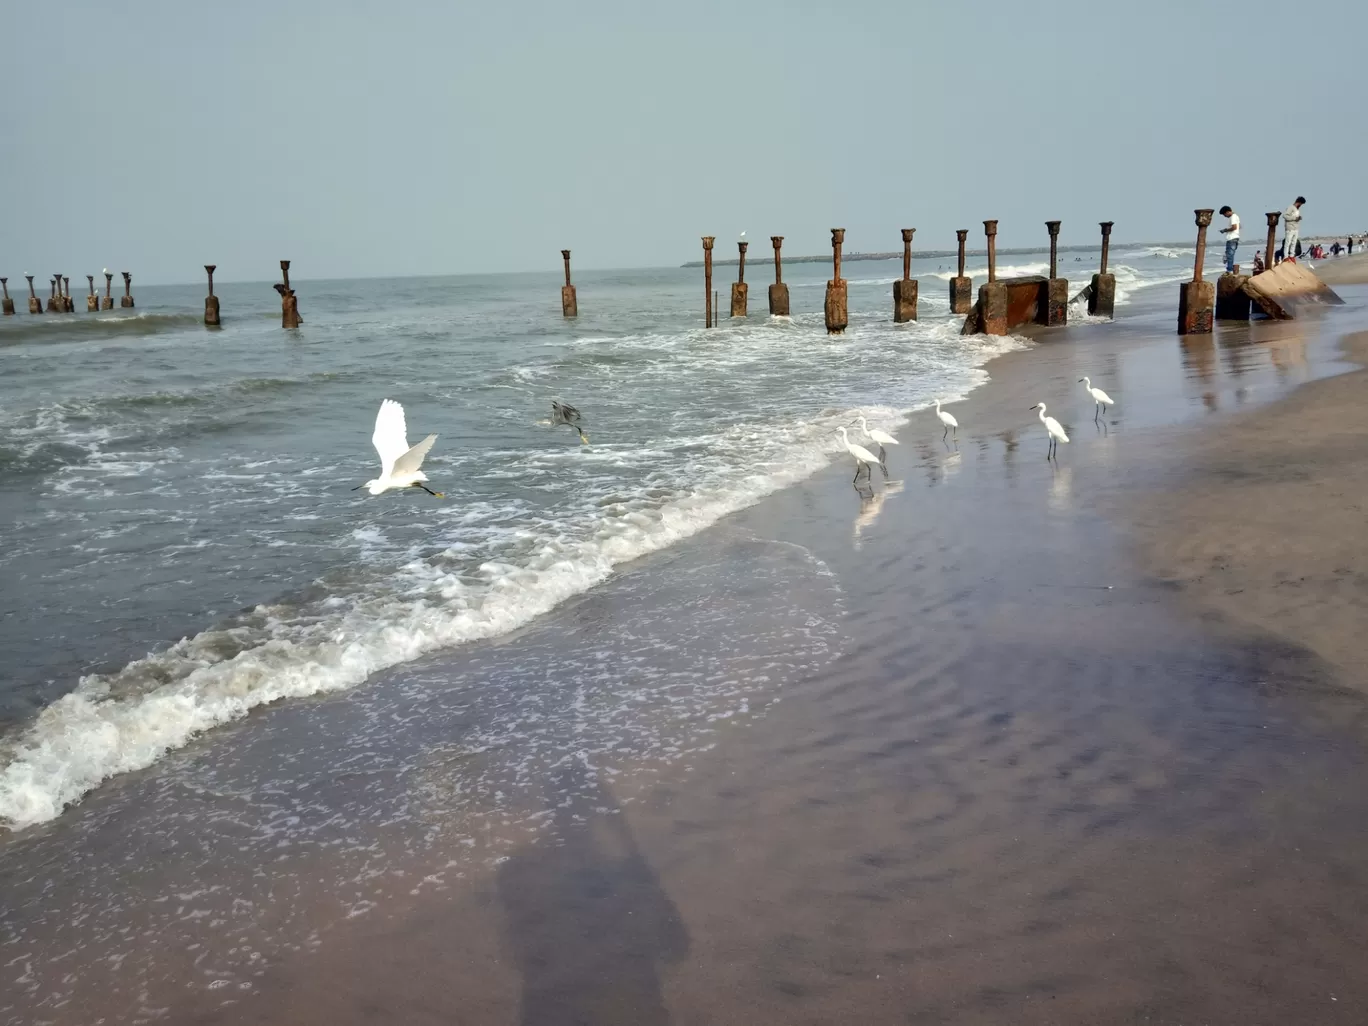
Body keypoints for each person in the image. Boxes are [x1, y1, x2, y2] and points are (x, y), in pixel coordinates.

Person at [1218, 205, 1240, 272]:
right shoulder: (1236, 216)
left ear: (1227, 212)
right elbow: (1238, 226)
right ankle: (1229, 268)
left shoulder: (1233, 217)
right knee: (1229, 254)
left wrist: (1225, 230)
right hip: (1235, 237)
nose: (1224, 216)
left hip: (1232, 238)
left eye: (1224, 214)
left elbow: (1234, 227)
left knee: (1229, 255)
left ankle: (1229, 270)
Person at [1283, 196, 1305, 261]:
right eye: (1301, 204)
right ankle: (1286, 256)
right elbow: (1285, 216)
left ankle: (1292, 255)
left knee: (1294, 243)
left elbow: (1295, 217)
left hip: (1296, 228)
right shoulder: (1291, 207)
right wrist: (1295, 218)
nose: (1301, 205)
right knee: (1288, 243)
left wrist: (1298, 218)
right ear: (1298, 202)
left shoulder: (1297, 209)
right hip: (1290, 228)